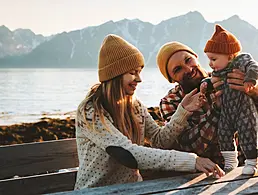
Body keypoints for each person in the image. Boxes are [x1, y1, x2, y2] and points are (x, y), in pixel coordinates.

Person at [74, 34, 224, 190]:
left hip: (134, 189)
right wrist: (193, 161)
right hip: (95, 191)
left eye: (139, 72)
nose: (139, 79)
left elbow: (160, 140)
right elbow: (126, 153)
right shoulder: (90, 111)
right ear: (115, 75)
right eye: (132, 72)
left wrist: (183, 111)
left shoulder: (135, 106)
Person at [156, 40, 258, 170]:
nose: (188, 69)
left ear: (196, 57)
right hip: (209, 173)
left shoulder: (229, 76)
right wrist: (216, 110)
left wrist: (253, 91)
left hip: (248, 162)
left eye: (188, 60)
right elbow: (189, 145)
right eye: (178, 69)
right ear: (172, 79)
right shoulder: (171, 102)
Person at [203, 24, 258, 174]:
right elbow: (209, 80)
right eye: (209, 59)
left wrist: (250, 80)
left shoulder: (240, 62)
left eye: (213, 59)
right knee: (224, 134)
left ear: (229, 56)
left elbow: (253, 66)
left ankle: (252, 163)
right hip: (227, 112)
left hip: (243, 109)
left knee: (248, 134)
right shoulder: (218, 72)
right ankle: (230, 161)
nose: (210, 63)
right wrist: (204, 85)